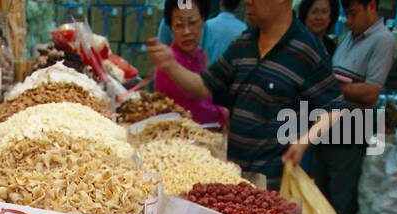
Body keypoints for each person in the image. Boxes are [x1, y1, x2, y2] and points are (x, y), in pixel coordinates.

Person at [147, 0, 345, 188]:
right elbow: (203, 87)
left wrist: (303, 142)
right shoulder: (243, 43)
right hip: (234, 175)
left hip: (273, 182)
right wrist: (170, 65)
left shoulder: (307, 49)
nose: (247, 1)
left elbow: (334, 108)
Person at [308, 0, 395, 214]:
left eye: (353, 13)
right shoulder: (349, 36)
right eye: (346, 13)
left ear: (372, 6)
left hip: (353, 126)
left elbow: (370, 92)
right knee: (318, 195)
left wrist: (333, 88)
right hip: (327, 123)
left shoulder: (382, 40)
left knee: (340, 199)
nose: (348, 19)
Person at [153, 0, 230, 126]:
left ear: (203, 20)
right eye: (179, 25)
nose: (186, 32)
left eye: (193, 22)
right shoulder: (168, 64)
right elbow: (195, 112)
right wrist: (224, 113)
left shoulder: (201, 54)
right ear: (170, 27)